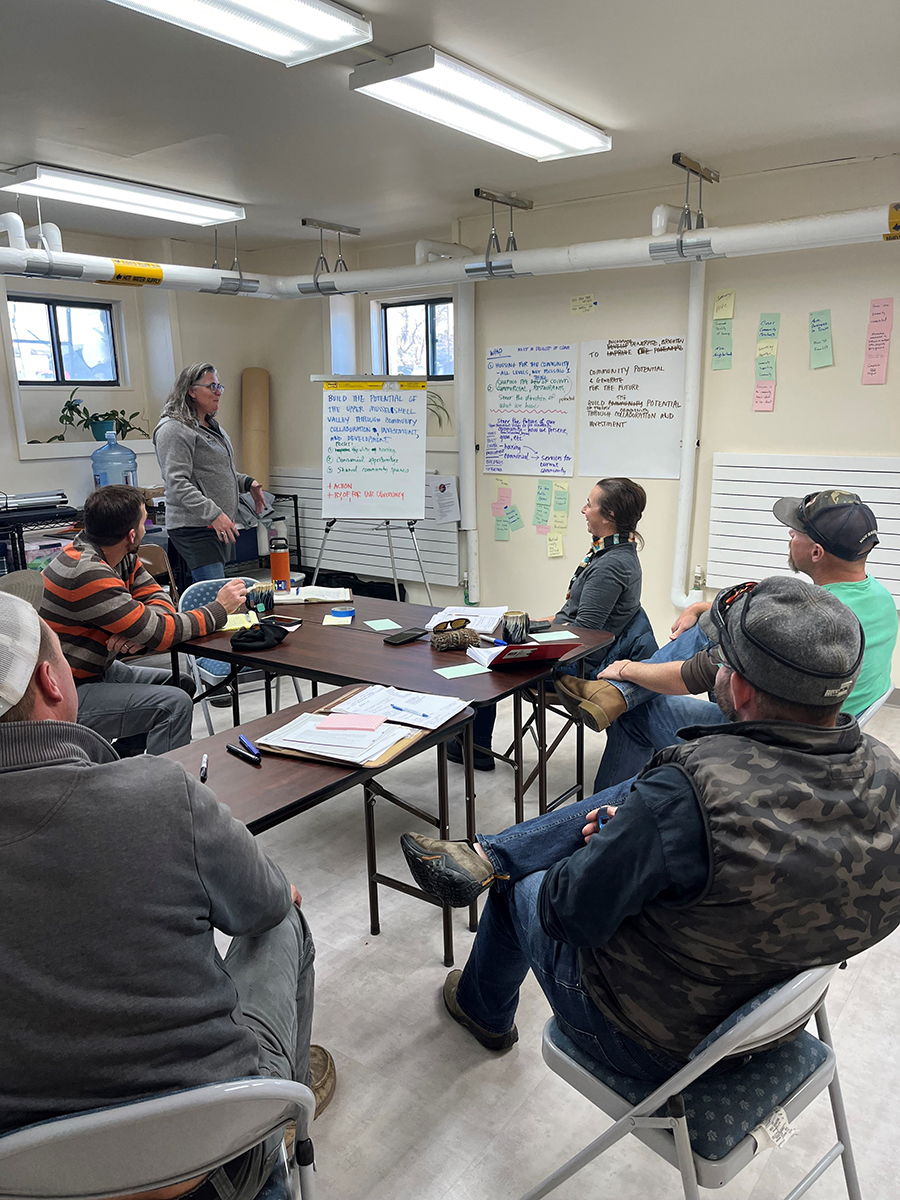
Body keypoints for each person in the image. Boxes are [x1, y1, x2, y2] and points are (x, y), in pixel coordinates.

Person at [400, 576, 900, 1080]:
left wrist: (604, 855)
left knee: (521, 885)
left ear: (741, 688)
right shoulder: (888, 772)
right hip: (773, 1022)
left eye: (719, 660)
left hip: (658, 1041)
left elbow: (566, 915)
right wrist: (641, 842)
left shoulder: (689, 793)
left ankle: (481, 1012)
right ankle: (499, 859)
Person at [0, 591, 335, 1197]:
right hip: (211, 1154)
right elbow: (264, 906)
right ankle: (283, 1113)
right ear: (52, 680)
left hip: (27, 1175)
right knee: (284, 918)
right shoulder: (156, 793)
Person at [556, 488, 897, 788]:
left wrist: (628, 669)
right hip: (822, 731)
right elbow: (755, 601)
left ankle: (613, 791)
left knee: (635, 711)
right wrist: (702, 607)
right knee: (720, 618)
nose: (790, 535)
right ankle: (616, 696)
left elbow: (696, 674)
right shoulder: (878, 601)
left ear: (817, 552)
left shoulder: (806, 624)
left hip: (770, 744)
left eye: (796, 531)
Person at [451, 477, 656, 770]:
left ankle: (475, 747)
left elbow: (583, 635)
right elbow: (570, 616)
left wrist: (527, 639)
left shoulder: (610, 566)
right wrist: (532, 624)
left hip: (579, 663)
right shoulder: (615, 551)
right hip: (578, 649)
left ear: (608, 516)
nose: (583, 510)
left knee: (485, 661)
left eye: (589, 504)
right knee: (494, 637)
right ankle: (473, 745)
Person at [41, 484, 247, 755]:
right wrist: (219, 609)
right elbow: (160, 632)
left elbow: (159, 603)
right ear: (131, 534)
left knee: (180, 682)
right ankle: (160, 788)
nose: (146, 527)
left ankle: (124, 767)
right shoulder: (86, 572)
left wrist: (143, 629)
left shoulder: (117, 553)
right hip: (67, 690)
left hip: (97, 671)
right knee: (173, 704)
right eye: (144, 522)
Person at [154, 362, 267, 584]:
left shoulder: (211, 426)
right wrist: (214, 514)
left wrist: (247, 482)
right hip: (194, 527)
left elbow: (217, 472)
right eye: (211, 386)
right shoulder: (174, 429)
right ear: (191, 391)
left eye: (219, 386)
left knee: (219, 593)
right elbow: (177, 482)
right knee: (215, 596)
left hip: (214, 525)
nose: (218, 392)